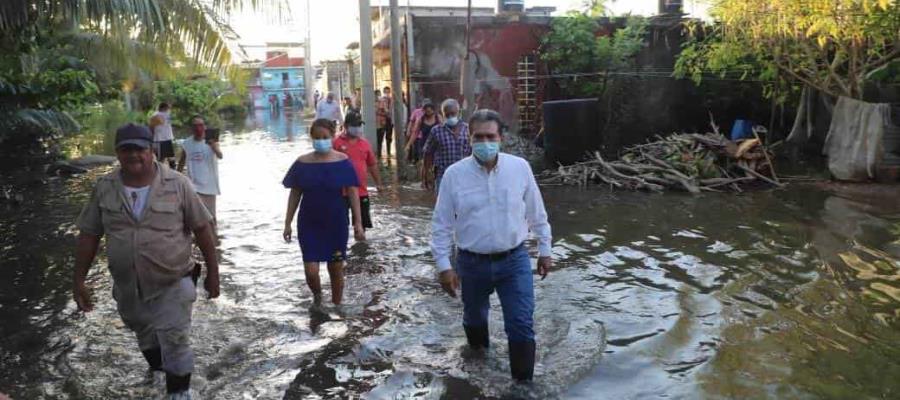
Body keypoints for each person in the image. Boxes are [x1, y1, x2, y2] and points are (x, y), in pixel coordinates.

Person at [73, 123, 219, 400]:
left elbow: (202, 228)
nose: (133, 156)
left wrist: (214, 272)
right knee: (145, 335)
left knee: (175, 339)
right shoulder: (105, 187)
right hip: (129, 285)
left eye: (139, 149)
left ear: (151, 150)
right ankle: (158, 372)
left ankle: (179, 393)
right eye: (126, 150)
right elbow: (89, 234)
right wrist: (78, 280)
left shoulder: (178, 184)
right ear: (117, 153)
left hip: (173, 279)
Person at [431, 109, 552, 382]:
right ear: (469, 139)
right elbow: (441, 225)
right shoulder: (454, 175)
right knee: (474, 321)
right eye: (478, 137)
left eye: (490, 136)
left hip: (514, 260)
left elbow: (536, 212)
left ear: (501, 138)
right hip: (471, 263)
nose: (484, 142)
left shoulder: (519, 168)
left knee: (521, 324)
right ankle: (479, 367)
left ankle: (522, 387)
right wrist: (443, 267)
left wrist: (545, 250)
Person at [282, 119, 366, 305]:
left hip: (335, 222)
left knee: (335, 268)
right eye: (317, 137)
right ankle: (318, 299)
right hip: (309, 223)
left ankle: (337, 305)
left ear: (332, 136)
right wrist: (287, 223)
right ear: (311, 137)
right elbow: (295, 194)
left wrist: (358, 222)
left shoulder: (343, 162)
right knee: (311, 271)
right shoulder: (302, 163)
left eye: (325, 137)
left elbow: (353, 192)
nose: (321, 140)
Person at [334, 111, 382, 231]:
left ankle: (361, 247)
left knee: (362, 227)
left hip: (361, 191)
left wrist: (379, 184)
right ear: (345, 126)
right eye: (354, 125)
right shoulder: (336, 143)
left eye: (359, 125)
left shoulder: (365, 144)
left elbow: (372, 165)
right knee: (341, 225)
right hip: (341, 192)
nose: (357, 128)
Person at [177, 116, 222, 237]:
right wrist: (176, 176)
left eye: (201, 125)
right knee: (196, 216)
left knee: (211, 217)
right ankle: (200, 239)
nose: (198, 128)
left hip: (210, 185)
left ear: (205, 127)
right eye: (195, 126)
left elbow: (220, 155)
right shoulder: (187, 143)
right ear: (191, 128)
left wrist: (213, 146)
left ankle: (214, 239)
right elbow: (182, 160)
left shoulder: (211, 141)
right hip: (193, 185)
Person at [422, 98, 471, 193]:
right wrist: (426, 175)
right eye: (447, 115)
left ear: (459, 112)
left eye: (453, 114)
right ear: (443, 114)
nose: (450, 117)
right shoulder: (436, 131)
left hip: (465, 176)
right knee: (443, 205)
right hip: (443, 176)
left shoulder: (468, 129)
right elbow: (428, 153)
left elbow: (473, 153)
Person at [149, 103, 176, 169]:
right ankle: (159, 172)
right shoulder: (155, 116)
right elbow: (151, 127)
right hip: (159, 139)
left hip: (167, 139)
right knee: (161, 159)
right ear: (163, 108)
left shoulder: (167, 114)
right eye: (167, 108)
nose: (169, 110)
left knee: (171, 157)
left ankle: (173, 171)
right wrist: (151, 139)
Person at [376, 87, 394, 158]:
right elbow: (379, 111)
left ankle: (388, 152)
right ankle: (379, 154)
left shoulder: (391, 100)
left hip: (390, 121)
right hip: (382, 121)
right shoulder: (381, 101)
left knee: (389, 137)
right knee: (380, 137)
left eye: (388, 92)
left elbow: (392, 111)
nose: (387, 94)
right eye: (385, 92)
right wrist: (385, 113)